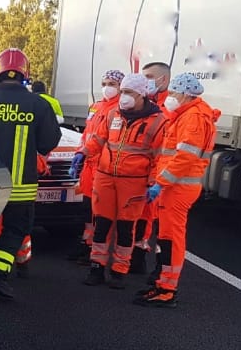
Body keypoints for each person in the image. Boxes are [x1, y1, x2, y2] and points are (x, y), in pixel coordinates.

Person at [0, 48, 62, 300]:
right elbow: (48, 143)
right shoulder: (39, 105)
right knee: (15, 230)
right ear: (25, 74)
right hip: (20, 187)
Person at [75, 73, 167, 289]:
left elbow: (159, 156)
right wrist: (83, 152)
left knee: (126, 228)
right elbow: (98, 139)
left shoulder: (157, 121)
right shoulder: (113, 114)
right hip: (105, 177)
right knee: (101, 225)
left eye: (129, 92)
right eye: (123, 91)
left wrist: (154, 182)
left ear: (142, 95)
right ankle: (96, 267)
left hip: (134, 182)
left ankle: (119, 270)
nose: (123, 96)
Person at [137, 73, 220, 308]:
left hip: (178, 187)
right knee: (166, 237)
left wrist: (160, 183)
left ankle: (167, 290)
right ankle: (163, 284)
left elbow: (185, 157)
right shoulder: (187, 115)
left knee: (171, 238)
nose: (170, 97)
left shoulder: (193, 118)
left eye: (173, 92)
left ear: (185, 94)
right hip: (176, 186)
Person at [69, 69, 125, 264]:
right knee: (87, 208)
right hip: (89, 164)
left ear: (121, 87)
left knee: (100, 211)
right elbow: (87, 134)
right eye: (104, 84)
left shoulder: (119, 109)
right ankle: (87, 242)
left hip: (103, 166)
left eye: (112, 84)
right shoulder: (96, 106)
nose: (107, 88)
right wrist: (79, 153)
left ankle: (95, 248)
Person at [132, 62, 173, 275]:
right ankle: (137, 258)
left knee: (161, 225)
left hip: (162, 175)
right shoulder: (145, 105)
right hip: (144, 173)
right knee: (141, 218)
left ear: (163, 79)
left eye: (149, 76)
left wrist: (158, 179)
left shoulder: (170, 109)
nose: (145, 80)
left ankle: (160, 270)